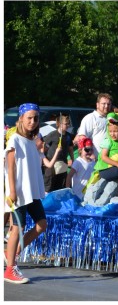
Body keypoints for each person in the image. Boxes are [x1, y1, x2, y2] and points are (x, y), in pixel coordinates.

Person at [4, 104, 47, 284]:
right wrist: (12, 190)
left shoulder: (32, 141)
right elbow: (10, 165)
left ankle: (12, 253)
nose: (32, 121)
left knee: (42, 224)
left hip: (32, 191)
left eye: (35, 118)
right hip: (19, 192)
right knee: (17, 228)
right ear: (21, 118)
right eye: (29, 117)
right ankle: (10, 269)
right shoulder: (14, 139)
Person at [41, 113, 73, 193]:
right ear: (60, 124)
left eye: (68, 123)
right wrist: (43, 160)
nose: (68, 125)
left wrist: (73, 159)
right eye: (66, 124)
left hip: (62, 163)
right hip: (51, 164)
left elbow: (70, 149)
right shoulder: (52, 135)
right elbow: (44, 148)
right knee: (49, 186)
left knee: (60, 186)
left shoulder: (69, 136)